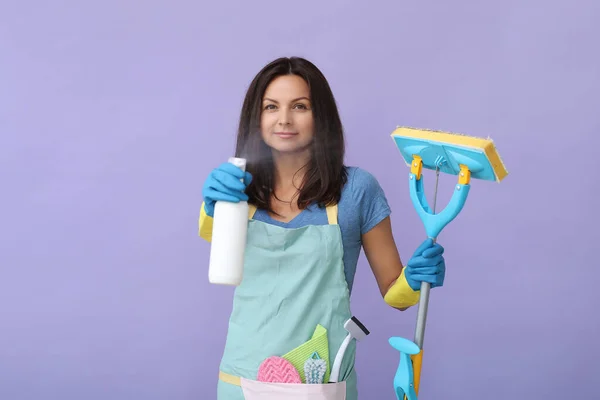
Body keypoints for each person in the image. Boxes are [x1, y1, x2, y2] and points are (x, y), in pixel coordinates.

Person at [198, 56, 446, 400]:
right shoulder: (236, 188)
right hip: (241, 380)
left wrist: (416, 279)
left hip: (323, 383)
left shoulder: (356, 190)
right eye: (271, 107)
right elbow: (214, 240)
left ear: (321, 116)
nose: (284, 119)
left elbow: (395, 295)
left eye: (300, 106)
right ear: (257, 117)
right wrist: (213, 206)